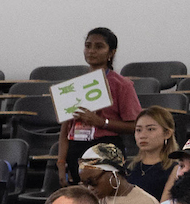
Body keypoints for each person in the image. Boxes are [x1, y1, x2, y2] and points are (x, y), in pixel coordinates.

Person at [59, 22, 141, 166]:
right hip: (76, 146)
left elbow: (135, 125)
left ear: (111, 52)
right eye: (88, 45)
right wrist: (60, 160)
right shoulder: (75, 85)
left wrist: (102, 123)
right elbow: (66, 127)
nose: (91, 51)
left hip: (106, 148)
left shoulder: (121, 84)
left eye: (99, 46)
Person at [75, 141, 160, 204]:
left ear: (113, 174)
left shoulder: (145, 203)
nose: (90, 188)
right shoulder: (89, 200)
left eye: (92, 182)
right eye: (85, 184)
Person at [125, 103, 177, 198]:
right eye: (138, 130)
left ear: (167, 133)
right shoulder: (130, 167)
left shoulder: (175, 169)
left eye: (150, 129)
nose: (142, 135)